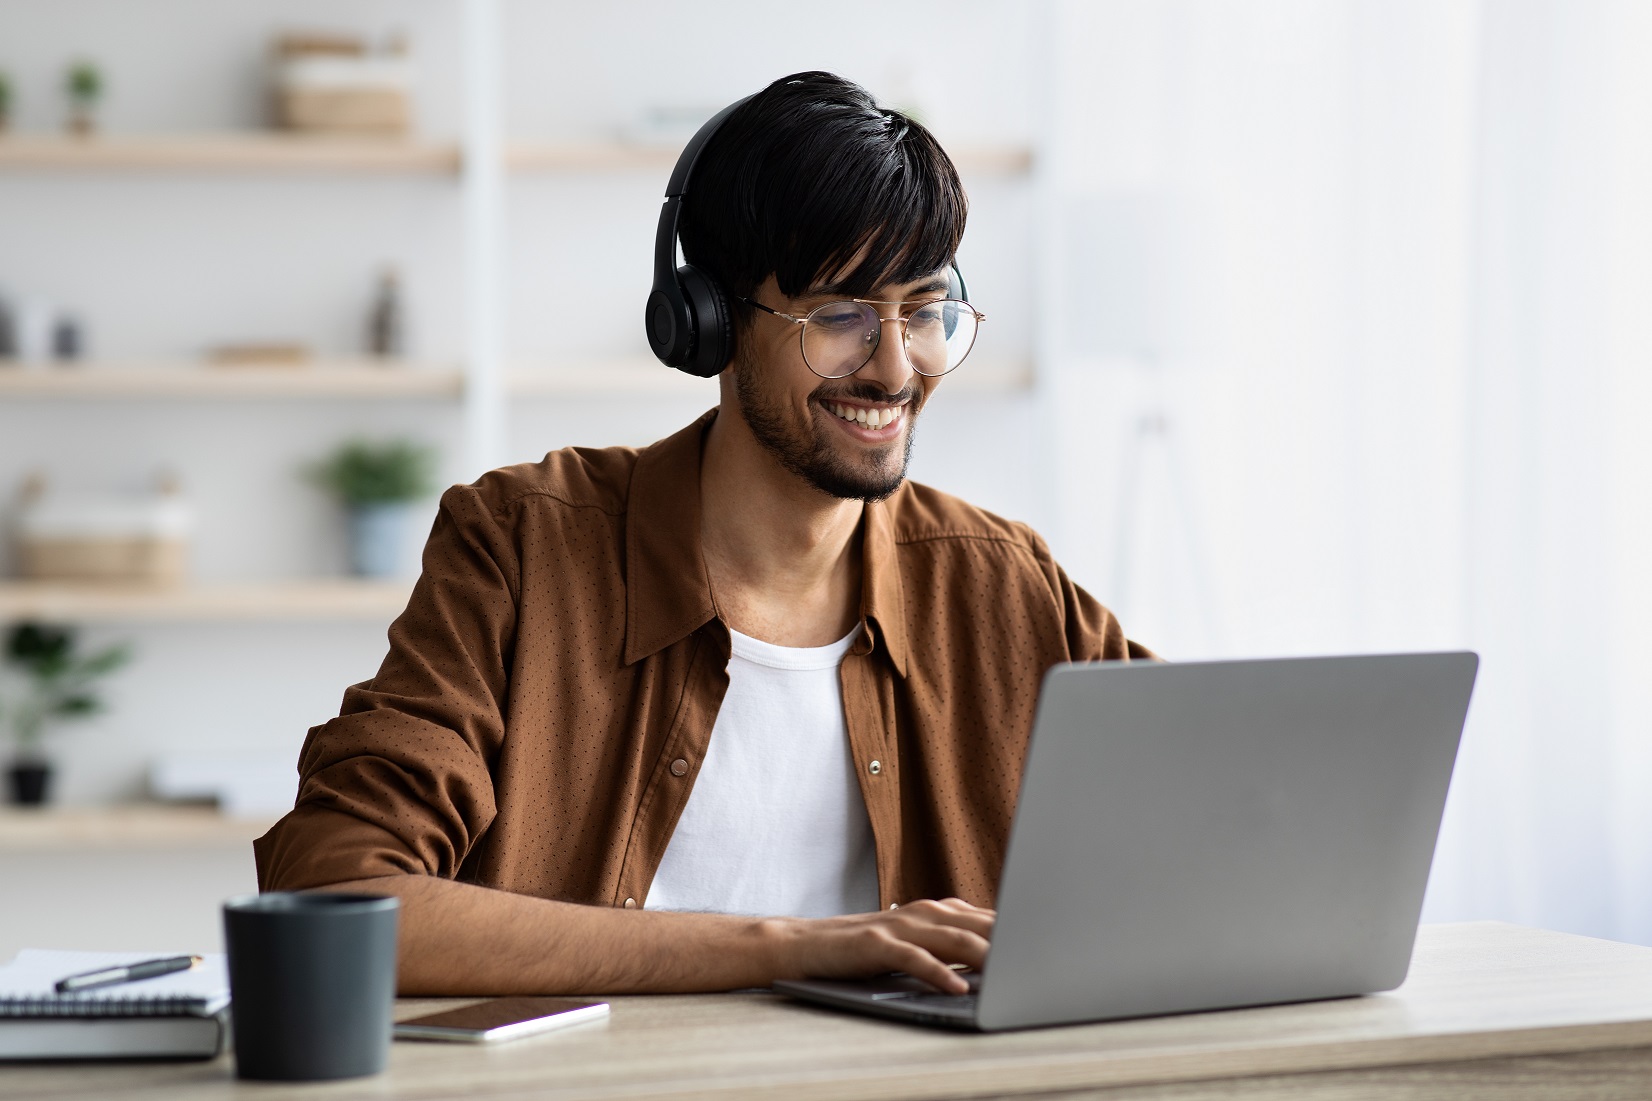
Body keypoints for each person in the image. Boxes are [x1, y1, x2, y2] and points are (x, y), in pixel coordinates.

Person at [255, 71, 1150, 997]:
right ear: (708, 322)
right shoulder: (523, 546)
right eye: (839, 315)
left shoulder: (1001, 582)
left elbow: (1233, 805)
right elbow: (335, 901)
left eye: (922, 313)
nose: (894, 368)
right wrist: (790, 946)